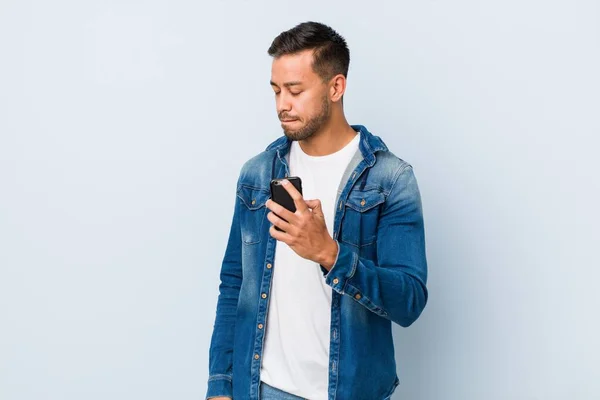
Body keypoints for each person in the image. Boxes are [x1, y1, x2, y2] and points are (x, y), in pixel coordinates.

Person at [206, 21, 428, 400]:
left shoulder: (390, 178)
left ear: (336, 87)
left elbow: (409, 301)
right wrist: (220, 385)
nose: (282, 105)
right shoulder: (258, 174)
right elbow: (234, 285)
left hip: (348, 391)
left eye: (295, 90)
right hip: (261, 389)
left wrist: (328, 252)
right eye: (276, 90)